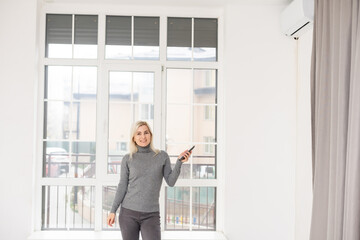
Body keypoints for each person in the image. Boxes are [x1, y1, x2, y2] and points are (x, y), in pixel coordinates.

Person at [106, 120, 192, 240]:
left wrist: (179, 162)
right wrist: (112, 210)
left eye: (146, 132)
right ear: (133, 138)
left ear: (150, 135)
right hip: (128, 214)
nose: (143, 136)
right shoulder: (127, 158)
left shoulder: (162, 156)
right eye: (139, 133)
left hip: (151, 215)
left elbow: (171, 182)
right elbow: (122, 186)